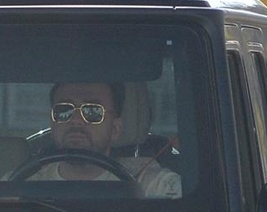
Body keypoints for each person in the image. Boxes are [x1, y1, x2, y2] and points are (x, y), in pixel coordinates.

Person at [33, 81, 183, 197]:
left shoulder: (151, 184)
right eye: (64, 110)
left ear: (115, 129)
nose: (76, 119)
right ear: (52, 125)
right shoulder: (22, 182)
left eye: (92, 111)